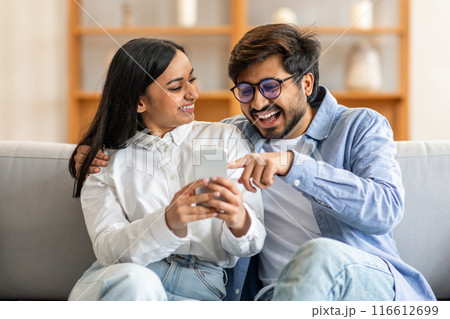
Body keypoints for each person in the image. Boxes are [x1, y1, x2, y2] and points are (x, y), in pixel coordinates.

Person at [75, 24, 436, 301]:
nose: (258, 104)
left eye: (271, 87)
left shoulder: (360, 125)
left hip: (362, 282)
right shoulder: (234, 137)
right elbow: (167, 139)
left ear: (306, 82)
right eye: (246, 91)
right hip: (275, 298)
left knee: (319, 255)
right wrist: (90, 152)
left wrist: (294, 165)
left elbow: (385, 209)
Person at [68, 38, 266, 301]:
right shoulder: (103, 159)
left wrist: (240, 220)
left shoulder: (221, 139)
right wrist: (167, 222)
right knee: (138, 282)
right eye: (176, 86)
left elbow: (252, 242)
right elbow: (108, 249)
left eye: (192, 79)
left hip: (201, 287)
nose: (193, 93)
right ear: (140, 102)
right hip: (125, 280)